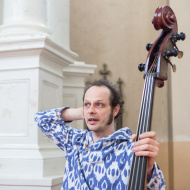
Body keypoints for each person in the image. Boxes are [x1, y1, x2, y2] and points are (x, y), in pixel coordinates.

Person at [35, 79, 166, 190]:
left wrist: (149, 169)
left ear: (115, 110)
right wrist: (85, 112)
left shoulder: (131, 147)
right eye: (87, 104)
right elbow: (41, 119)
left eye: (99, 104)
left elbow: (159, 187)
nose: (91, 110)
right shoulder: (74, 141)